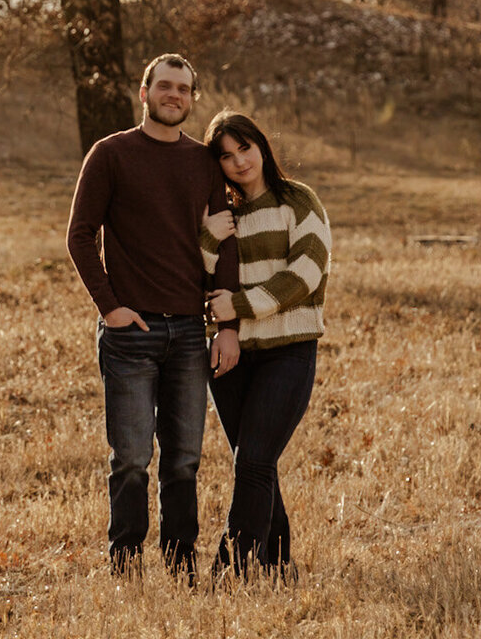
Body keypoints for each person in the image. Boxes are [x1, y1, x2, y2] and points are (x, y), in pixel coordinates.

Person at [66, 54, 240, 579]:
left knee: (185, 458)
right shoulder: (111, 154)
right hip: (131, 332)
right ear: (144, 93)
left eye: (184, 89)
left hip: (189, 330)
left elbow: (222, 242)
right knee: (132, 459)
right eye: (164, 86)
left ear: (193, 98)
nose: (174, 96)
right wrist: (110, 307)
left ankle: (181, 561)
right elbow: (79, 235)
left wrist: (226, 323)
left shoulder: (204, 162)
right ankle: (125, 562)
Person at [202, 110, 330, 579]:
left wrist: (239, 306)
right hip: (234, 357)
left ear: (262, 147)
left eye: (245, 149)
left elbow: (305, 273)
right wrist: (206, 235)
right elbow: (200, 274)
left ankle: (228, 572)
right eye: (226, 156)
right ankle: (278, 567)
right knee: (255, 464)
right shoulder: (225, 217)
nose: (239, 162)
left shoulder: (298, 200)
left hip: (288, 350)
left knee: (254, 459)